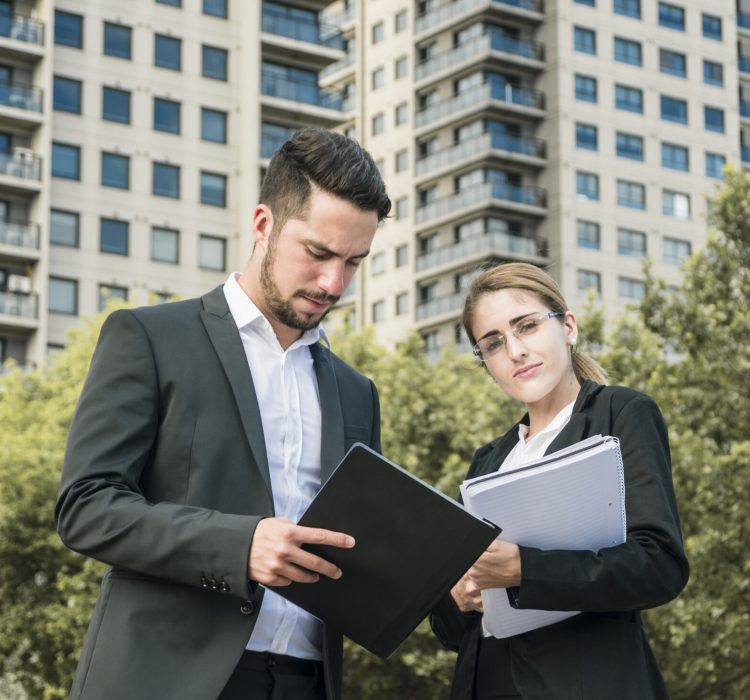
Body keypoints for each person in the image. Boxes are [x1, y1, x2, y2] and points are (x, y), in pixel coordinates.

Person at [55, 128, 391, 700]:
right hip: (167, 678)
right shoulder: (148, 337)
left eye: (354, 262)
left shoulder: (357, 392)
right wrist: (240, 546)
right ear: (263, 225)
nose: (334, 283)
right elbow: (87, 506)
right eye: (318, 253)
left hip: (308, 682)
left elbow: (358, 547)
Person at [430, 263, 689, 699]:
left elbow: (659, 565)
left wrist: (524, 569)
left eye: (526, 326)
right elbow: (450, 631)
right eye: (493, 343)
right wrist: (458, 596)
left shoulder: (620, 414)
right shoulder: (486, 463)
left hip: (585, 683)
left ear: (567, 326)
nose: (514, 351)